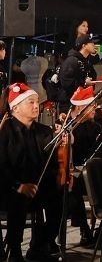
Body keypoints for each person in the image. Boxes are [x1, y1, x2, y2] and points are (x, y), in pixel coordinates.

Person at [0, 82, 63, 261]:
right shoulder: (4, 131)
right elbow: (2, 166)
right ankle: (14, 249)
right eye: (31, 103)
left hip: (37, 186)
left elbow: (50, 161)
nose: (36, 106)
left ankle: (40, 246)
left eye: (37, 102)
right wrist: (18, 186)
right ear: (16, 107)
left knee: (62, 198)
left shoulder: (44, 131)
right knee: (17, 201)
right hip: (9, 188)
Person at [56, 33, 98, 111]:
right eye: (91, 43)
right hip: (69, 103)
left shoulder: (86, 62)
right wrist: (84, 83)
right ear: (84, 46)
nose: (94, 45)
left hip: (81, 101)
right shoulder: (72, 61)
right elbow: (66, 83)